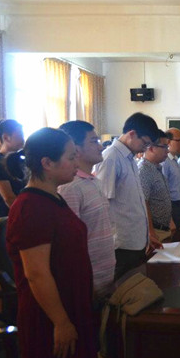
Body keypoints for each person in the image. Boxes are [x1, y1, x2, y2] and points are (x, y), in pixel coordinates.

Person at [7, 127, 96, 358]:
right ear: (47, 163)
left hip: (71, 303)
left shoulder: (54, 197)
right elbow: (36, 273)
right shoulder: (30, 207)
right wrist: (61, 322)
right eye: (71, 157)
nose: (77, 162)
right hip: (49, 316)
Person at [93, 112, 161, 280]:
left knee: (135, 286)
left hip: (136, 241)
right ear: (132, 133)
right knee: (123, 289)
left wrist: (147, 234)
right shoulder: (111, 157)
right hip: (122, 245)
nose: (145, 148)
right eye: (145, 143)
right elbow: (103, 202)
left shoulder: (129, 158)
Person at [58, 120, 115, 299]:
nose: (100, 147)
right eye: (94, 141)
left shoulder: (93, 181)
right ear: (75, 149)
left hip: (105, 279)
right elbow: (69, 243)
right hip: (87, 282)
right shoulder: (70, 187)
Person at [139, 130, 173, 243]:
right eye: (164, 147)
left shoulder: (157, 168)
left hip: (163, 228)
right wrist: (151, 232)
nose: (167, 151)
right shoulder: (144, 170)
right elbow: (144, 202)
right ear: (151, 148)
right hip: (155, 232)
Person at [0, 119, 25, 220]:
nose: (23, 139)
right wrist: (25, 216)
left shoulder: (20, 160)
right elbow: (8, 198)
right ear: (6, 137)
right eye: (20, 135)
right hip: (5, 219)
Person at [162, 128, 180, 229]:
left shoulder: (175, 160)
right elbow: (163, 192)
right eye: (179, 140)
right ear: (168, 142)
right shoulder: (165, 161)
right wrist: (169, 219)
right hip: (172, 207)